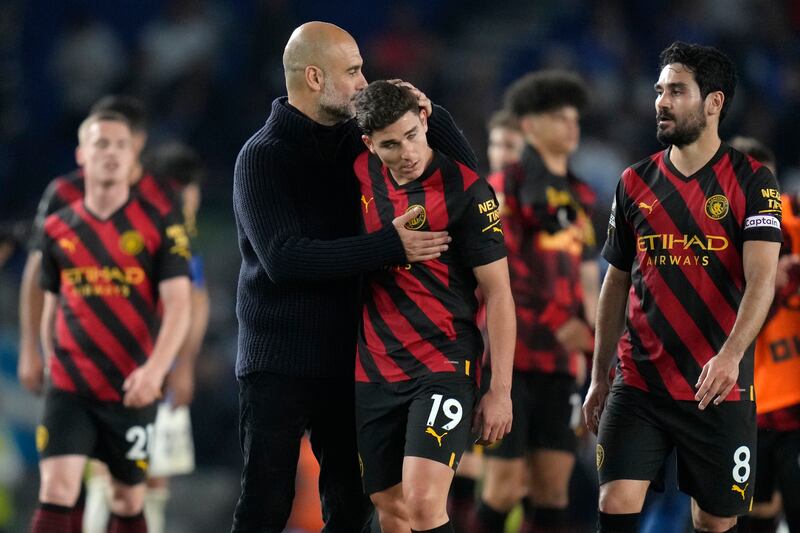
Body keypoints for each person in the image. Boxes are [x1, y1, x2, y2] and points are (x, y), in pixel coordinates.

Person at [231, 21, 476, 533]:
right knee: (266, 505)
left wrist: (431, 113)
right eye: (354, 70)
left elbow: (463, 182)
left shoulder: (358, 143)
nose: (366, 81)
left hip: (353, 355)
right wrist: (389, 246)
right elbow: (283, 258)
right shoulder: (262, 156)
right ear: (315, 77)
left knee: (350, 506)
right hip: (278, 360)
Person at [582, 42, 782, 533]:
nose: (661, 101)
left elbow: (762, 279)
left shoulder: (754, 181)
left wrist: (732, 355)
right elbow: (616, 279)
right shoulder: (634, 181)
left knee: (714, 522)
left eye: (676, 90)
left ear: (714, 102)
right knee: (615, 500)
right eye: (659, 90)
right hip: (640, 379)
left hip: (716, 384)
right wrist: (599, 372)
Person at [352, 79, 514, 533]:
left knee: (423, 503)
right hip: (375, 365)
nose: (406, 152)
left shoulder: (467, 191)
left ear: (424, 120)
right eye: (389, 144)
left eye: (411, 135)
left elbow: (500, 294)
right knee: (391, 506)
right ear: (368, 144)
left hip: (443, 360)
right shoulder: (360, 172)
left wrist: (500, 390)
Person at [30, 111, 191, 533]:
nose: (112, 153)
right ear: (82, 154)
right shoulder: (56, 226)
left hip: (131, 384)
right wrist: (47, 360)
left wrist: (155, 371)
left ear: (133, 154)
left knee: (127, 496)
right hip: (70, 382)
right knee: (58, 487)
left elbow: (179, 304)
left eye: (121, 144)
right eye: (102, 143)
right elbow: (51, 303)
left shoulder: (159, 222)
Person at [471, 70, 598, 533]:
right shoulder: (505, 186)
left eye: (574, 117)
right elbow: (503, 271)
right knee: (503, 487)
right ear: (529, 127)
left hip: (562, 364)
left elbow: (584, 276)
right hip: (513, 359)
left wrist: (592, 348)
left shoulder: (581, 196)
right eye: (558, 117)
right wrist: (558, 319)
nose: (572, 126)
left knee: (553, 490)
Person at [447, 109, 525, 531]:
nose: (502, 155)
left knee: (514, 483)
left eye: (510, 147)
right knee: (465, 469)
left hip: (526, 357)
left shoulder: (547, 208)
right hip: (475, 345)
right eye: (496, 145)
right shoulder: (477, 200)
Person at [139, 141, 211, 533]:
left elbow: (195, 303)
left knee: (153, 476)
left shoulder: (182, 238)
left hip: (160, 369)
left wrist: (183, 365)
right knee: (121, 473)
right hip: (134, 367)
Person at [730, 137, 799, 533]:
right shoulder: (715, 235)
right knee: (748, 517)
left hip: (791, 402)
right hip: (743, 403)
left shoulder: (794, 217)